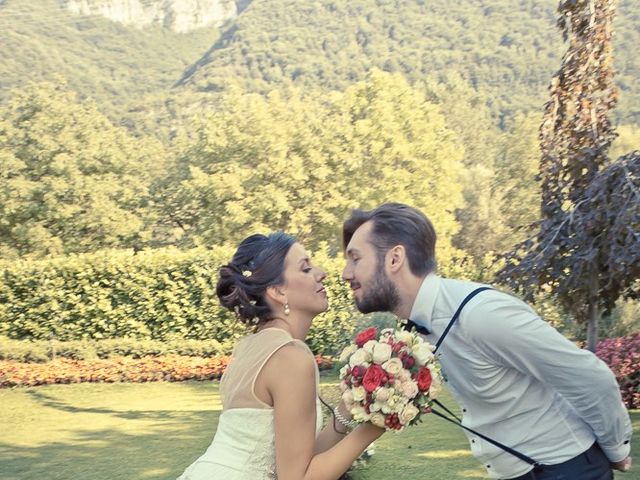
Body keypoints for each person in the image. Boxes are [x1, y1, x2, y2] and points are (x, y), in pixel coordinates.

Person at [341, 203, 632, 480]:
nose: (346, 273)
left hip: (566, 469)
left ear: (394, 259)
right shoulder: (417, 326)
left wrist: (616, 449)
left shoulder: (480, 314)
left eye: (355, 258)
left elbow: (590, 377)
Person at [177, 232, 383, 480]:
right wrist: (374, 426)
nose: (321, 273)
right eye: (306, 268)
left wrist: (350, 406)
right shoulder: (291, 357)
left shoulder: (252, 347)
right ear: (277, 291)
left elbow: (296, 461)